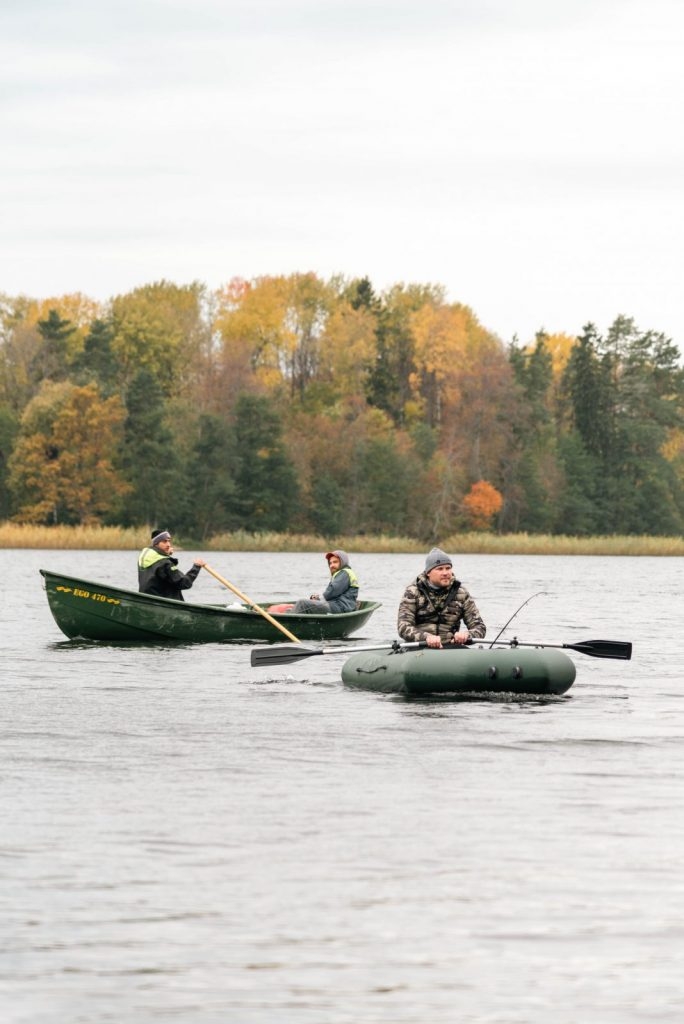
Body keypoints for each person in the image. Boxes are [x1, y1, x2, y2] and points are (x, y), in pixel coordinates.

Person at [397, 547, 486, 648]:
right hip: (419, 648)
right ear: (428, 573)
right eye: (440, 569)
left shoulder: (462, 593)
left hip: (450, 647)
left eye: (448, 568)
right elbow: (403, 627)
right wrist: (426, 637)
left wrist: (467, 635)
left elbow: (480, 627)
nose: (445, 573)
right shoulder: (412, 592)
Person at [267, 550, 359, 615]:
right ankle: (289, 613)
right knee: (303, 605)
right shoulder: (343, 573)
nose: (332, 565)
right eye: (330, 563)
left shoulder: (345, 573)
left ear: (343, 562)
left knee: (302, 603)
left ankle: (285, 619)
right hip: (338, 606)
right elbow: (333, 594)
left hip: (339, 608)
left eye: (335, 562)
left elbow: (332, 592)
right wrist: (318, 598)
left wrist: (320, 598)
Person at [138, 529, 206, 601]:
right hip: (165, 604)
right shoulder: (165, 563)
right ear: (156, 543)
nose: (168, 545)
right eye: (164, 541)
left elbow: (166, 573)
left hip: (147, 601)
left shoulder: (144, 558)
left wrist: (166, 554)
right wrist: (196, 567)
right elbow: (185, 583)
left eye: (169, 541)